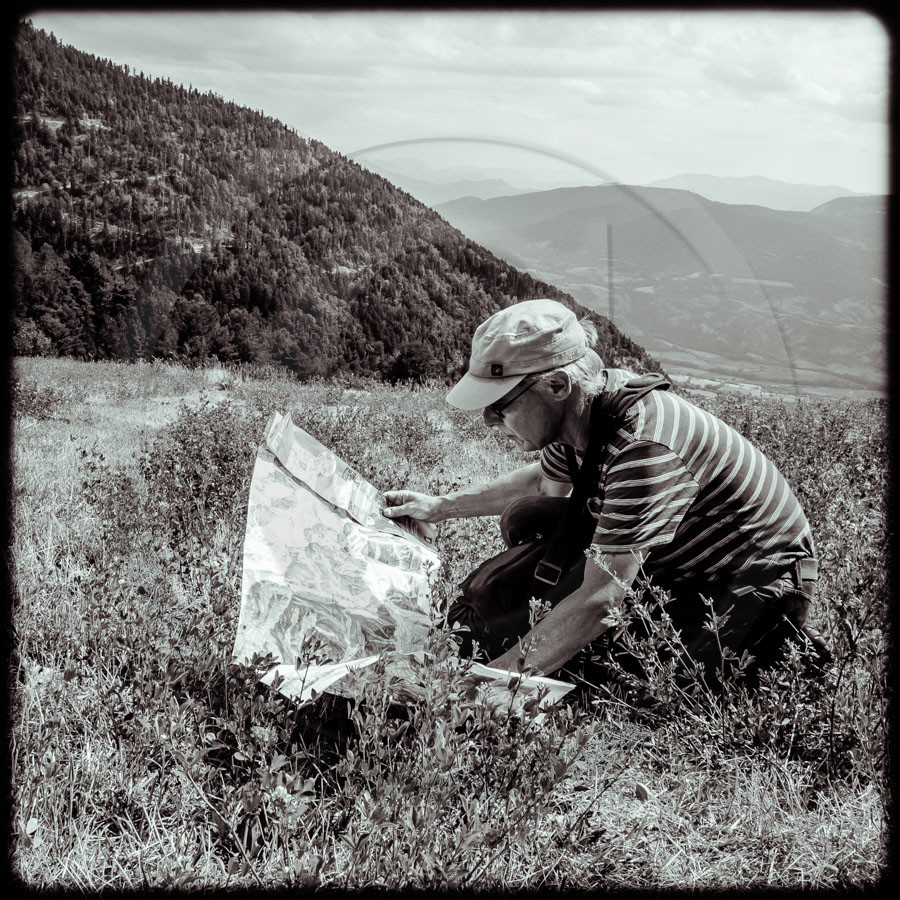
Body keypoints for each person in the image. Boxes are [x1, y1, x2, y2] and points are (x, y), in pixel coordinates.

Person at [382, 298, 823, 694]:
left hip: (746, 585)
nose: (489, 420)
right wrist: (439, 507)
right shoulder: (579, 410)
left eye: (501, 405)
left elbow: (602, 600)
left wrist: (482, 687)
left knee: (623, 680)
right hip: (675, 561)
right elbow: (540, 484)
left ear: (556, 386)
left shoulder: (643, 449)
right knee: (528, 517)